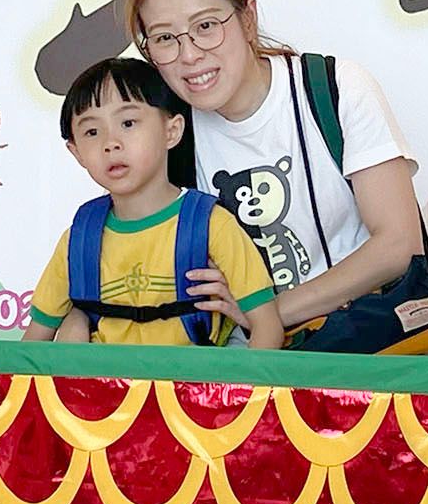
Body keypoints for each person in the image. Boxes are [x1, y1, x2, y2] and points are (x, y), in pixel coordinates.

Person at [125, 0, 428, 347]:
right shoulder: (168, 132)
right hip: (247, 363)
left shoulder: (334, 88)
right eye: (165, 38)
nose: (189, 55)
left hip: (373, 343)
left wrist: (267, 315)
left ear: (247, 18)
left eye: (206, 26)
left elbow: (398, 244)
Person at [24, 57, 282, 349]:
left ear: (172, 131)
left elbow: (267, 327)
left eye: (128, 123)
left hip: (194, 379)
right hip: (102, 380)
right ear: (76, 152)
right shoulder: (78, 240)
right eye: (92, 132)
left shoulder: (212, 224)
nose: (111, 143)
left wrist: (238, 381)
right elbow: (32, 345)